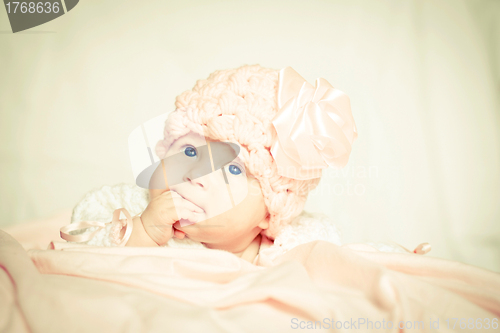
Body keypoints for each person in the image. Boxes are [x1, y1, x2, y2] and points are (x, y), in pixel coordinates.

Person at [62, 64, 409, 264]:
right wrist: (142, 232)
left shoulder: (294, 244)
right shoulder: (125, 207)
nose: (196, 176)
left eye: (233, 170)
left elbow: (345, 266)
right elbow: (74, 256)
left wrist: (397, 261)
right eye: (188, 152)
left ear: (268, 216)